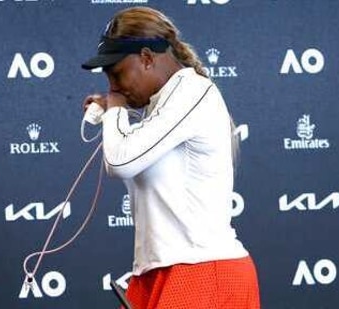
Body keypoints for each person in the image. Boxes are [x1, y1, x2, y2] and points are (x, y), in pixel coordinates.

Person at [81, 6, 260, 309]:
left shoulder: (192, 90)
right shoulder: (161, 104)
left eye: (117, 73)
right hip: (160, 272)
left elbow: (121, 162)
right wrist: (118, 110)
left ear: (147, 58)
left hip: (204, 270)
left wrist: (114, 108)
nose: (113, 86)